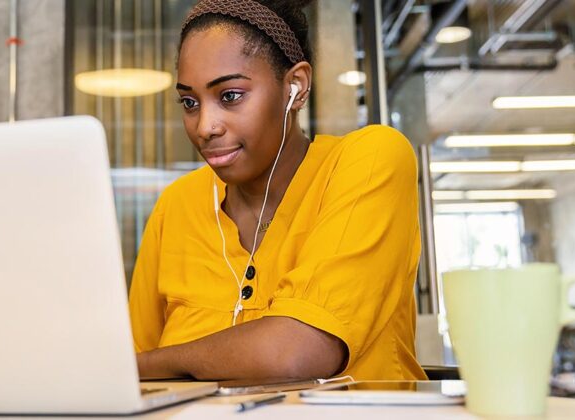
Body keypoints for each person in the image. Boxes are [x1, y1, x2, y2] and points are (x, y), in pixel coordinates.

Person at [128, 0, 426, 381]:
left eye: (230, 96)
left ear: (295, 88)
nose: (205, 126)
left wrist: (149, 367)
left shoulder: (370, 161)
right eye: (189, 102)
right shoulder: (178, 204)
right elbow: (135, 367)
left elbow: (295, 353)